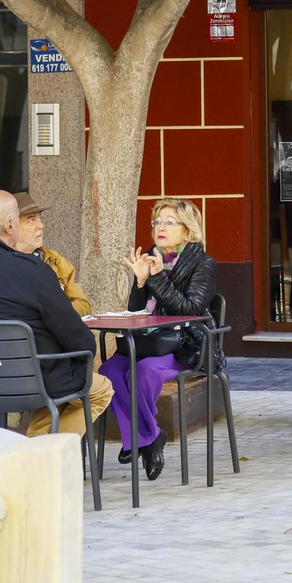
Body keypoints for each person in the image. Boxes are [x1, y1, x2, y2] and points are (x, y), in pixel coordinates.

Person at [0, 190, 112, 438]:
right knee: (100, 389)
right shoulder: (34, 271)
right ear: (10, 225)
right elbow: (77, 338)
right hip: (38, 381)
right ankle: (39, 454)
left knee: (52, 383)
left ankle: (34, 451)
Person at [98, 197, 217, 482]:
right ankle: (150, 437)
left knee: (146, 373)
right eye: (157, 222)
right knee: (108, 372)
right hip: (145, 343)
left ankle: (138, 439)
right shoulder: (151, 258)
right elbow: (137, 311)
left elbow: (190, 310)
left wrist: (157, 277)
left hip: (183, 346)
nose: (159, 227)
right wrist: (140, 282)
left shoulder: (203, 263)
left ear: (187, 231)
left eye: (168, 222)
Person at [13, 190, 91, 317]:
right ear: (12, 227)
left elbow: (84, 306)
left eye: (40, 218)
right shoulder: (1, 262)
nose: (41, 225)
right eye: (31, 220)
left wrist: (52, 309)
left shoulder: (58, 261)